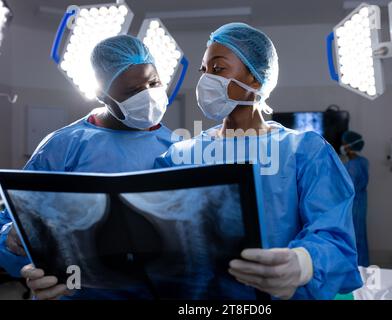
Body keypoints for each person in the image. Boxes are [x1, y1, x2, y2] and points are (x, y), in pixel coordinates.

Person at [156, 23, 362, 300]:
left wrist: (301, 263)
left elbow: (334, 237)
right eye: (203, 71)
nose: (206, 80)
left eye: (218, 69)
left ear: (256, 79)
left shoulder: (304, 151)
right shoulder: (180, 155)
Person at [0, 35, 174, 299]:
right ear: (101, 95)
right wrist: (13, 243)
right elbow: (12, 227)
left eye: (153, 83)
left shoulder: (174, 145)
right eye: (132, 91)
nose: (148, 95)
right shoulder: (63, 146)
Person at [341, 131, 370, 267]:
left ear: (349, 146)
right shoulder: (363, 162)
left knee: (353, 237)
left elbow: (345, 187)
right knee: (359, 236)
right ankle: (361, 266)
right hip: (361, 202)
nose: (343, 146)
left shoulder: (351, 167)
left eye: (345, 144)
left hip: (353, 205)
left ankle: (356, 269)